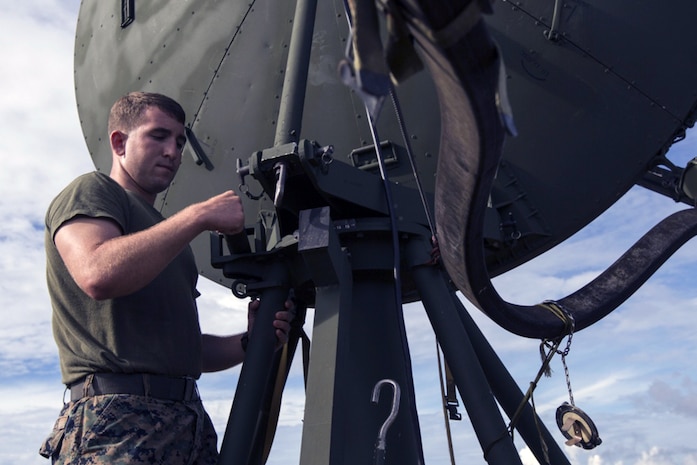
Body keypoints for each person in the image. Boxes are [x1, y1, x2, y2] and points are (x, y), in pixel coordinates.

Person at [39, 91, 293, 464]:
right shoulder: (93, 191)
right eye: (158, 136)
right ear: (119, 142)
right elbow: (97, 273)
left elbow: (185, 350)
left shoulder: (165, 237)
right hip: (116, 421)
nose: (173, 151)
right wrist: (196, 217)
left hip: (187, 422)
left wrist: (249, 341)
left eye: (178, 140)